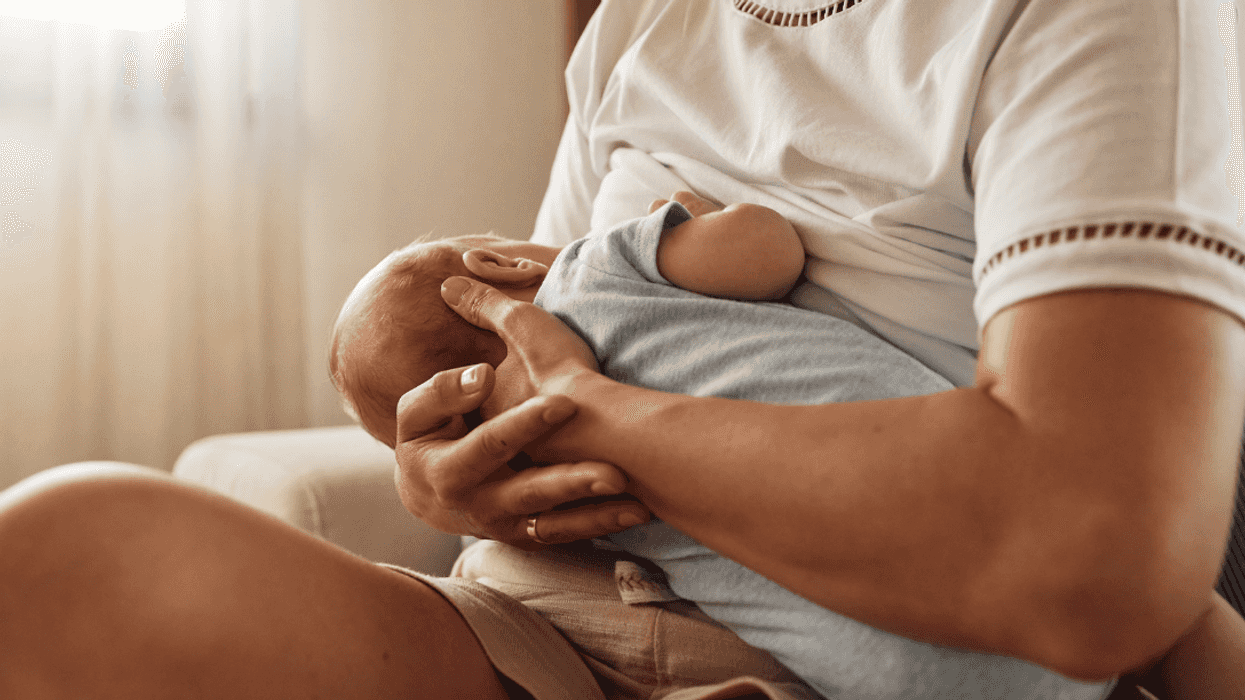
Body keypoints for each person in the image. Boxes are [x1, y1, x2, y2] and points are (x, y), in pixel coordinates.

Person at [1, 0, 1243, 697]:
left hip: (823, 655)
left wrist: (596, 421)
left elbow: (1095, 546)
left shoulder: (1098, 17)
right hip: (530, 632)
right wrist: (443, 470)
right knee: (63, 553)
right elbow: (543, 329)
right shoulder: (641, 27)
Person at [332, 191, 1245, 700]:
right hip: (982, 561)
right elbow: (767, 250)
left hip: (880, 677)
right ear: (497, 266)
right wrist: (687, 215)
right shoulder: (589, 266)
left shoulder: (545, 478)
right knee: (1188, 620)